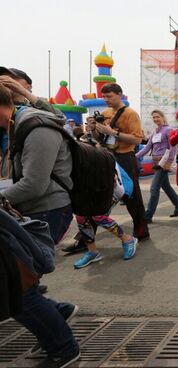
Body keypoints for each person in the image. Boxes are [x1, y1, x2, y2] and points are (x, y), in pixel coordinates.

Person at [0, 202, 80, 368]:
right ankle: (56, 313)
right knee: (18, 299)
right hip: (10, 246)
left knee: (20, 299)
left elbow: (34, 184)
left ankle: (62, 348)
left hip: (7, 251)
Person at [0, 84, 73, 246]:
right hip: (20, 206)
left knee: (22, 269)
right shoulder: (8, 127)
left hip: (45, 211)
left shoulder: (37, 127)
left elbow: (33, 185)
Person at [88, 83, 149, 241]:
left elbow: (137, 139)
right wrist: (93, 129)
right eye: (104, 96)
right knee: (97, 194)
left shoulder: (130, 114)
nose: (106, 99)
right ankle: (86, 237)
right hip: (107, 156)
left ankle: (141, 230)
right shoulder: (105, 112)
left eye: (109, 96)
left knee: (132, 197)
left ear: (120, 95)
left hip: (125, 157)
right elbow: (98, 138)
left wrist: (113, 132)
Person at [73, 164, 137, 269]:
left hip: (110, 188)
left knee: (98, 215)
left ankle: (127, 239)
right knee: (81, 216)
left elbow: (112, 181)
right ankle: (93, 252)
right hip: (88, 191)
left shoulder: (95, 154)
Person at [136, 110, 178, 223]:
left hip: (163, 163)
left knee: (154, 188)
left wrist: (169, 161)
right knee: (166, 186)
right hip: (156, 162)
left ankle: (148, 216)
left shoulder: (168, 130)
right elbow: (147, 148)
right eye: (153, 117)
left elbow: (173, 146)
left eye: (157, 117)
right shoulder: (155, 132)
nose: (155, 119)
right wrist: (133, 156)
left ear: (163, 117)